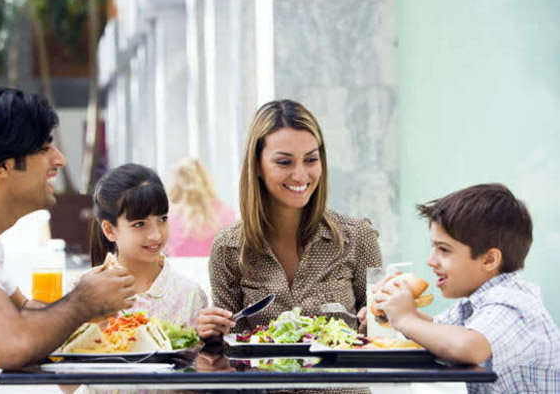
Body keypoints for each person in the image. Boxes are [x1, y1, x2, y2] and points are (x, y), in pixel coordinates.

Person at [0, 87, 137, 394]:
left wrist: (94, 315)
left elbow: (26, 315)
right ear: (2, 165)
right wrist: (84, 300)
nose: (60, 160)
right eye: (44, 148)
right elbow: (11, 343)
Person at [196, 99, 383, 339]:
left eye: (311, 159)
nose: (300, 175)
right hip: (261, 377)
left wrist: (378, 323)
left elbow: (383, 336)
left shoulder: (358, 237)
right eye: (284, 162)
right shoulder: (228, 248)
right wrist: (210, 333)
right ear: (257, 165)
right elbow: (228, 347)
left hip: (338, 376)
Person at [373, 183, 560, 394]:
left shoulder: (513, 304)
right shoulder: (475, 301)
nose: (431, 261)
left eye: (443, 249)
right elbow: (438, 331)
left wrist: (405, 318)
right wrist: (393, 310)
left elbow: (467, 347)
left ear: (489, 260)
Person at [88, 163, 208, 326]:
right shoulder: (84, 293)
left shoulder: (190, 295)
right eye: (139, 224)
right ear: (109, 230)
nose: (156, 235)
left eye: (162, 219)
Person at [166, 158, 236, 257]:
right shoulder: (225, 211)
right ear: (205, 179)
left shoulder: (167, 215)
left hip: (178, 270)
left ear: (175, 183)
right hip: (214, 271)